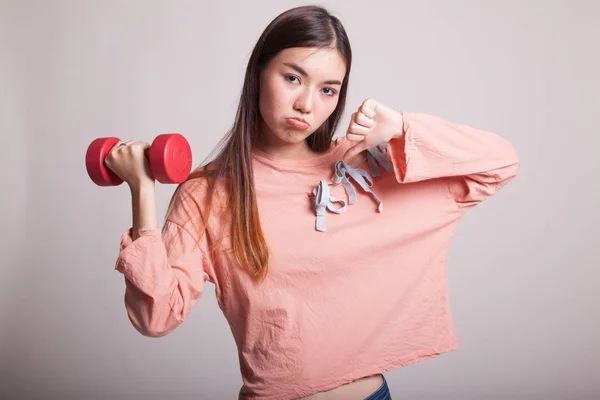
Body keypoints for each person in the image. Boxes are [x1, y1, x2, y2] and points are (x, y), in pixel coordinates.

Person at [105, 5, 520, 400]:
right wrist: (142, 193)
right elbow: (155, 317)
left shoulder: (363, 164)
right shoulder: (210, 194)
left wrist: (400, 128)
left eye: (328, 90)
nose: (307, 104)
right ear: (259, 72)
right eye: (293, 78)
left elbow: (499, 163)